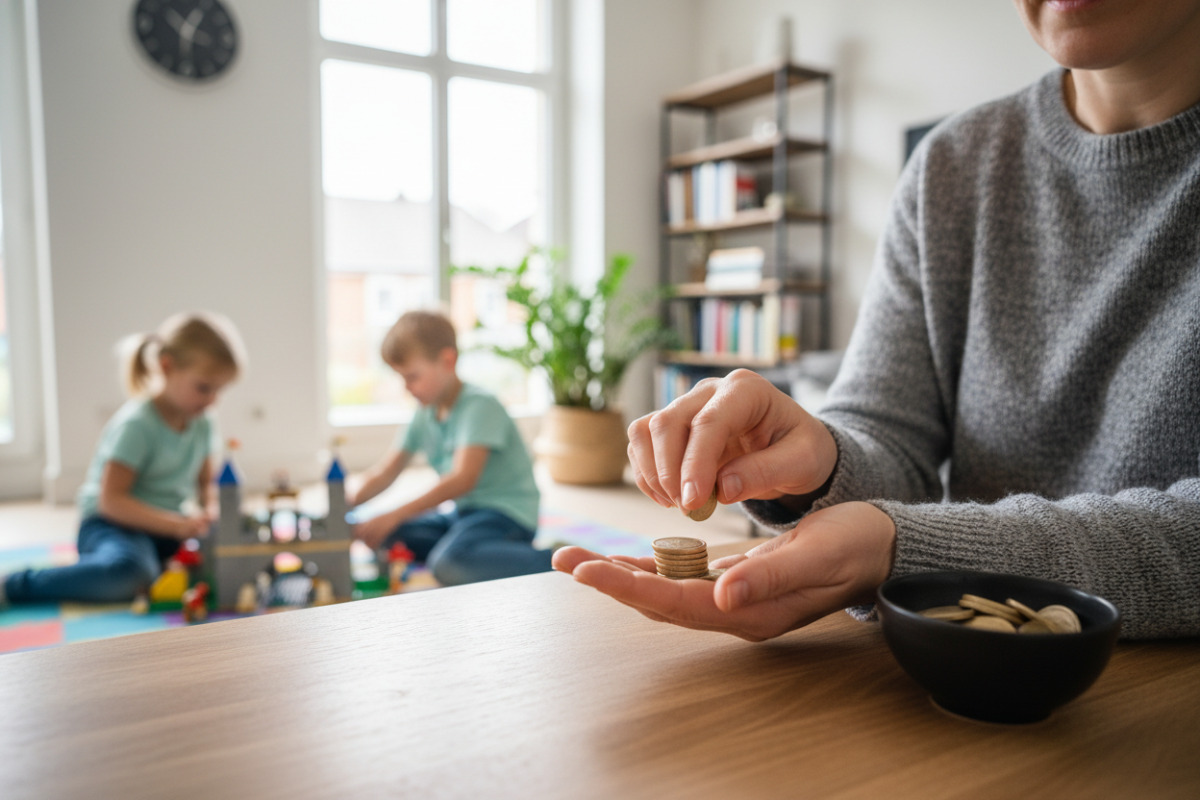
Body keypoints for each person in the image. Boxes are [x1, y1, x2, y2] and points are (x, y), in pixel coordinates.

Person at [553, 0, 1200, 641]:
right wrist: (820, 466)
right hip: (947, 681)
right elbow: (889, 435)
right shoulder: (952, 166)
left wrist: (908, 549)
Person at [0, 312, 246, 606]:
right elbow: (111, 501)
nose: (212, 400)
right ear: (167, 367)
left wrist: (210, 510)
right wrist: (177, 526)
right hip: (110, 525)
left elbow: (206, 482)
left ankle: (159, 565)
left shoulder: (204, 422)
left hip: (166, 527)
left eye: (220, 390)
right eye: (205, 388)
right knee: (132, 573)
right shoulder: (137, 425)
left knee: (229, 556)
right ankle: (16, 584)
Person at [349, 309, 552, 586]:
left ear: (447, 361)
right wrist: (342, 507)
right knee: (380, 532)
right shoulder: (425, 412)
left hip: (505, 516)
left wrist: (396, 513)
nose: (406, 388)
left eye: (412, 377)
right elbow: (386, 471)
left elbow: (462, 480)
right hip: (463, 515)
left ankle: (554, 558)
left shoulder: (480, 405)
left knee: (448, 565)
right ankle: (478, 552)